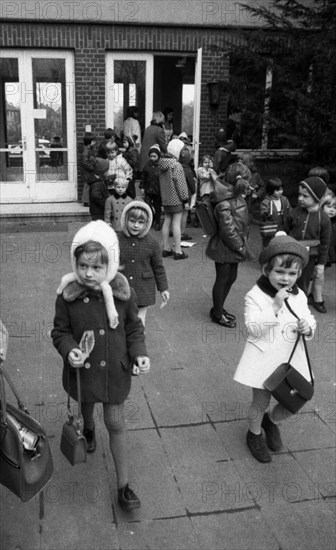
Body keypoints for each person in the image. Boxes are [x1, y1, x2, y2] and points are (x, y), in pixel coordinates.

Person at [52, 220, 150, 511]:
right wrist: (69, 349)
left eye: (97, 267)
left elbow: (133, 329)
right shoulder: (67, 296)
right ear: (75, 263)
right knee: (85, 406)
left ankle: (124, 485)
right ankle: (89, 428)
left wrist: (139, 354)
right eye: (83, 266)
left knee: (116, 423)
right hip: (82, 372)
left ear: (112, 264)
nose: (89, 273)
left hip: (114, 373)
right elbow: (60, 331)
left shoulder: (123, 293)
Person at [233, 233, 316, 463]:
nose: (285, 279)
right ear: (266, 271)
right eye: (279, 272)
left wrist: (307, 327)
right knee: (260, 402)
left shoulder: (298, 294)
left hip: (291, 359)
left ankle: (272, 421)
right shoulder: (255, 295)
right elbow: (253, 328)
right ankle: (254, 434)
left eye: (292, 274)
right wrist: (275, 306)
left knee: (297, 400)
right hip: (264, 358)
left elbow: (309, 318)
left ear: (298, 274)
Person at [205, 165, 250, 327]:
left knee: (231, 277)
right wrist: (239, 247)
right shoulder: (224, 202)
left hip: (233, 246)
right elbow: (228, 230)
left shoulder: (234, 196)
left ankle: (219, 307)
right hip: (225, 247)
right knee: (222, 279)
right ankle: (217, 314)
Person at [118, 201, 170, 325]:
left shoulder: (151, 242)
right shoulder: (116, 239)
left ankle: (138, 342)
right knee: (122, 318)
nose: (136, 225)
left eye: (141, 222)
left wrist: (163, 289)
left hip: (143, 288)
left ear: (147, 223)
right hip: (122, 286)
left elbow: (158, 267)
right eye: (132, 221)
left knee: (139, 321)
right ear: (125, 220)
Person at [283, 176, 331, 296]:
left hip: (309, 258)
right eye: (299, 194)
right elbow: (284, 229)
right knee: (285, 281)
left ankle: (299, 308)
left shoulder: (324, 218)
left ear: (316, 197)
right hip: (290, 253)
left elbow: (325, 243)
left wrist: (320, 264)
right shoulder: (294, 212)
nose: (300, 198)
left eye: (305, 196)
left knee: (302, 285)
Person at [159, 138, 189, 260]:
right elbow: (181, 184)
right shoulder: (176, 165)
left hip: (166, 199)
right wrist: (185, 199)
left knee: (167, 221)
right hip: (176, 199)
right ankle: (178, 250)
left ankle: (166, 248)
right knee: (176, 223)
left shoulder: (162, 164)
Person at [308, 191, 336, 313]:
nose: (332, 210)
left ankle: (310, 295)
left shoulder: (333, 222)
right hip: (316, 252)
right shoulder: (319, 221)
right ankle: (317, 299)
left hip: (327, 254)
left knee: (317, 275)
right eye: (329, 206)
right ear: (321, 206)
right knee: (319, 275)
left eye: (335, 207)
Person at [259, 177, 292, 247]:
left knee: (283, 246)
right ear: (270, 190)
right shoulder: (266, 202)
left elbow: (290, 212)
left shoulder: (284, 200)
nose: (280, 192)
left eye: (281, 189)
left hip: (283, 228)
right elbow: (263, 215)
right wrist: (266, 211)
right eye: (277, 190)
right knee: (269, 246)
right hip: (271, 230)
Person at [140, 144, 162, 231]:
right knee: (147, 205)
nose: (152, 158)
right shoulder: (147, 165)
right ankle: (151, 218)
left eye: (154, 156)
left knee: (157, 206)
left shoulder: (160, 166)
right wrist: (142, 186)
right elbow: (143, 176)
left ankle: (157, 221)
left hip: (157, 190)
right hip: (148, 189)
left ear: (158, 156)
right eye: (151, 156)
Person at [179, 147, 196, 240]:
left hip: (177, 194)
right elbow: (191, 184)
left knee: (177, 214)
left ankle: (174, 231)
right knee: (184, 214)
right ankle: (181, 233)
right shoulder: (188, 170)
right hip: (186, 194)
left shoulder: (177, 167)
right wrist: (194, 191)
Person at [88, 157, 110, 221]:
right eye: (107, 170)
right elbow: (95, 195)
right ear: (102, 171)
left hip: (96, 210)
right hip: (98, 211)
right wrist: (106, 203)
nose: (108, 171)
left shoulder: (97, 178)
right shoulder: (97, 183)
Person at [80, 132, 97, 206]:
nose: (95, 143)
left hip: (87, 171)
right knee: (87, 186)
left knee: (88, 185)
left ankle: (87, 200)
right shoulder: (86, 151)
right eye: (94, 141)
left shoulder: (87, 150)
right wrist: (91, 168)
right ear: (91, 142)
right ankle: (86, 201)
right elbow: (84, 162)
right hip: (87, 172)